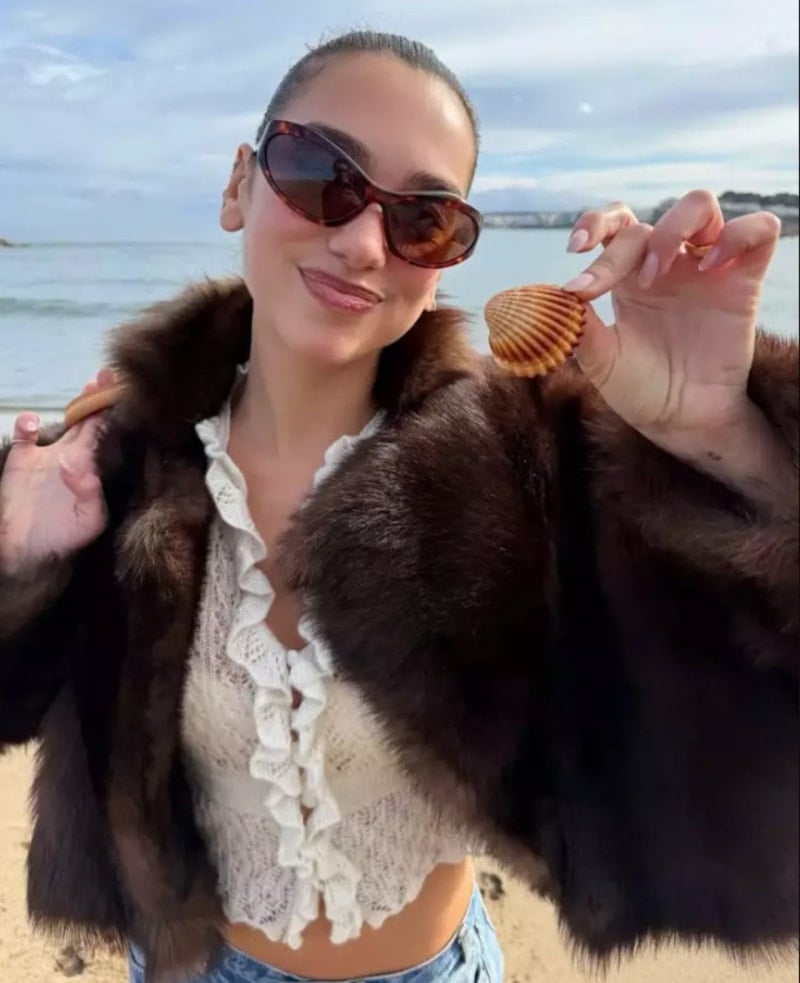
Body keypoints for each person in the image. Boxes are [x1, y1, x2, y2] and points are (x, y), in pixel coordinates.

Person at [0, 29, 797, 983]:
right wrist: (18, 568)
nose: (363, 242)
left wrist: (715, 432)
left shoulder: (518, 468)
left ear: (447, 258)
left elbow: (730, 705)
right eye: (318, 173)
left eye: (424, 218)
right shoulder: (115, 459)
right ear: (239, 183)